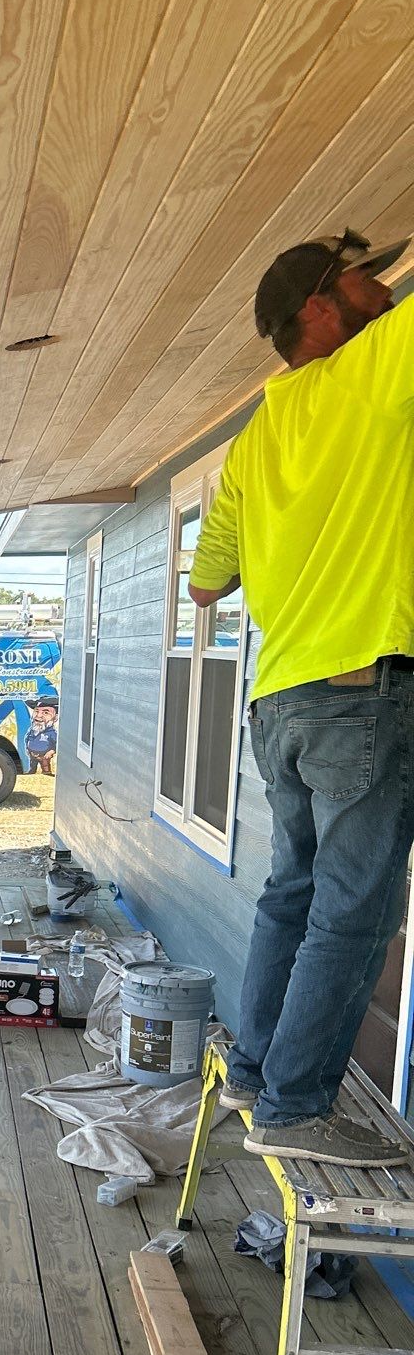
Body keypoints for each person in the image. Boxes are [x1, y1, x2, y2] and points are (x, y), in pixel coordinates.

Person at [189, 228, 414, 1167]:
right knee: (353, 910)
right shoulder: (378, 367)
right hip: (362, 687)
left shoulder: (253, 440)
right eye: (366, 278)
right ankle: (295, 1107)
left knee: (294, 892)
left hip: (280, 699)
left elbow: (207, 583)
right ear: (320, 308)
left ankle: (255, 1072)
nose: (385, 290)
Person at [25, 702, 58, 776]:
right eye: (36, 711)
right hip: (32, 754)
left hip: (44, 756)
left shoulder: (52, 733)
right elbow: (27, 739)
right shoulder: (32, 730)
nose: (38, 716)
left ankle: (47, 773)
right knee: (32, 764)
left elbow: (57, 744)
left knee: (45, 765)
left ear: (55, 718)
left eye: (46, 713)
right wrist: (27, 748)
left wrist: (51, 752)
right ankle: (31, 771)